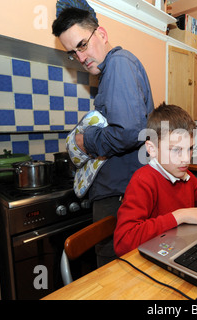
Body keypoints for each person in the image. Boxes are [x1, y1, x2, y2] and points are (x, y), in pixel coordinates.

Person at [52, 7, 154, 266]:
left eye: (82, 45)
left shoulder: (118, 63)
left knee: (113, 272)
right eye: (73, 53)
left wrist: (86, 140)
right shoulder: (110, 71)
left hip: (121, 193)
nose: (81, 56)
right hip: (120, 190)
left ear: (102, 34)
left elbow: (129, 133)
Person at [113, 103, 197, 257]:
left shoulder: (186, 176)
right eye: (176, 150)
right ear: (152, 149)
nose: (186, 159)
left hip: (178, 252)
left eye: (190, 148)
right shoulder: (143, 180)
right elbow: (123, 241)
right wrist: (180, 216)